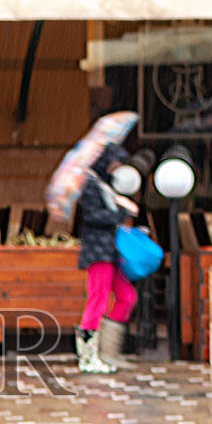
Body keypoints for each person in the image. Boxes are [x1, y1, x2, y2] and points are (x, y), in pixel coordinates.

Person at [74, 151, 140, 374]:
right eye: (114, 162)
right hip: (98, 251)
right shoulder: (91, 185)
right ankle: (88, 355)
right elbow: (93, 217)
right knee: (97, 301)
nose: (116, 167)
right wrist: (121, 210)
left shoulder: (104, 185)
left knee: (127, 296)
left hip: (110, 251)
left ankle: (108, 351)